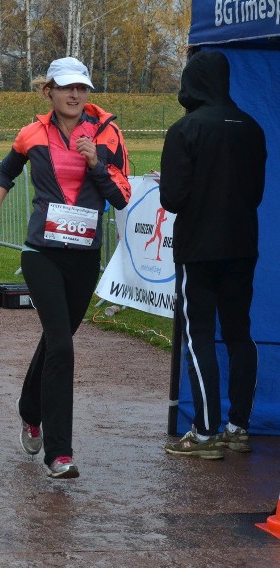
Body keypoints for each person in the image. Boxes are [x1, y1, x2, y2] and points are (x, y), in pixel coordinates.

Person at [0, 57, 131, 479]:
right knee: (63, 347)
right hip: (41, 253)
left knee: (55, 341)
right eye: (67, 87)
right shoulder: (33, 133)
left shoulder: (108, 133)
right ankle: (59, 454)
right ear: (49, 91)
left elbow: (121, 195)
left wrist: (96, 162)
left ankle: (29, 408)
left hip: (84, 257)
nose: (75, 95)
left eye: (82, 88)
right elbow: (6, 172)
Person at [160, 50, 266, 460]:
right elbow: (255, 193)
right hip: (242, 246)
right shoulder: (252, 128)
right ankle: (238, 425)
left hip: (199, 248)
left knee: (199, 335)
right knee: (240, 334)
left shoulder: (185, 129)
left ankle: (205, 433)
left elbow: (172, 198)